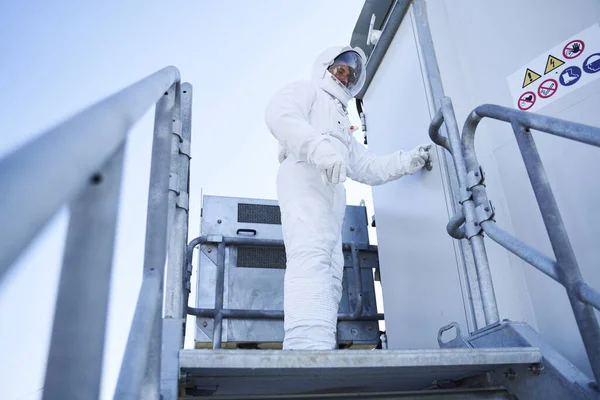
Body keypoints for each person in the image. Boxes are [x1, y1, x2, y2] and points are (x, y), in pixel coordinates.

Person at [265, 45, 431, 350]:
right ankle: (304, 346)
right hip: (303, 171)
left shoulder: (342, 123)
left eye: (349, 73)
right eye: (339, 69)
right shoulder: (307, 92)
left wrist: (406, 161)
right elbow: (280, 115)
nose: (343, 76)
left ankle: (320, 344)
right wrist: (318, 149)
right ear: (325, 68)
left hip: (332, 187)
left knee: (330, 265)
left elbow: (367, 166)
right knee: (310, 253)